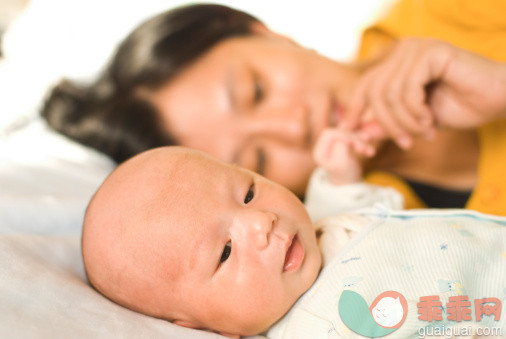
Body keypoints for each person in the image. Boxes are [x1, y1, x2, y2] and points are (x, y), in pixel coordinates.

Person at [42, 1, 506, 213]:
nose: (293, 126)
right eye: (257, 160)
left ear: (268, 34)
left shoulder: (453, 10)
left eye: (257, 90)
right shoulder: (369, 240)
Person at [82, 146, 506, 338]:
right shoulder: (313, 327)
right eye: (225, 252)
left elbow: (335, 212)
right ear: (204, 325)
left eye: (248, 192)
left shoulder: (313, 230)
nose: (261, 222)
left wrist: (341, 177)